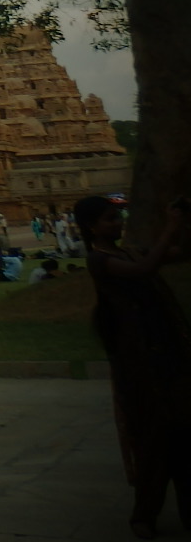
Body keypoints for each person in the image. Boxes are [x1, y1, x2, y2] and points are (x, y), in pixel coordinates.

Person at [77, 193, 191, 538]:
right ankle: (144, 514)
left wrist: (179, 225)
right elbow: (144, 270)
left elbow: (176, 255)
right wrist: (170, 228)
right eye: (110, 219)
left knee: (184, 433)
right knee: (153, 436)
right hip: (138, 360)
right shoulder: (99, 259)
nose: (118, 223)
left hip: (165, 349)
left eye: (118, 217)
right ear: (91, 227)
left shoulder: (129, 250)